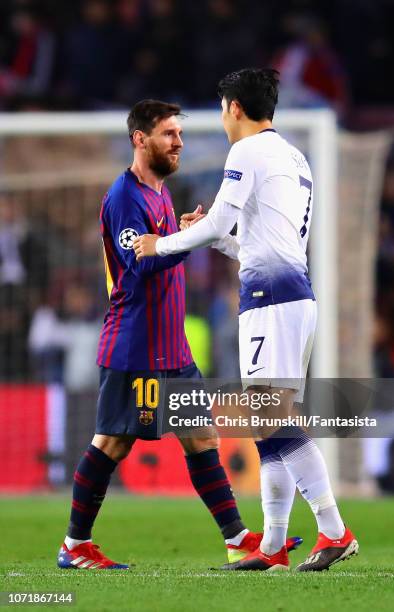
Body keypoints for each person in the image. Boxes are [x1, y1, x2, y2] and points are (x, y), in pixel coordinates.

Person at [57, 99, 301, 570]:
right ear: (139, 139)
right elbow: (140, 259)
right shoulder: (125, 196)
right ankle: (74, 544)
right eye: (169, 134)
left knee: (202, 438)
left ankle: (236, 538)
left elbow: (163, 247)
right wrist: (188, 240)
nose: (179, 143)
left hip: (172, 348)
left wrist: (184, 231)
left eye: (180, 135)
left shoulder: (161, 194)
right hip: (136, 346)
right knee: (113, 442)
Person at [134, 69, 359, 572]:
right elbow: (254, 245)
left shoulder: (248, 151)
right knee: (265, 424)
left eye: (221, 109)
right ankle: (275, 544)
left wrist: (161, 244)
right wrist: (213, 236)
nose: (222, 118)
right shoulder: (295, 157)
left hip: (270, 301)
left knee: (274, 421)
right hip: (292, 295)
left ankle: (334, 530)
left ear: (234, 107)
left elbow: (220, 219)